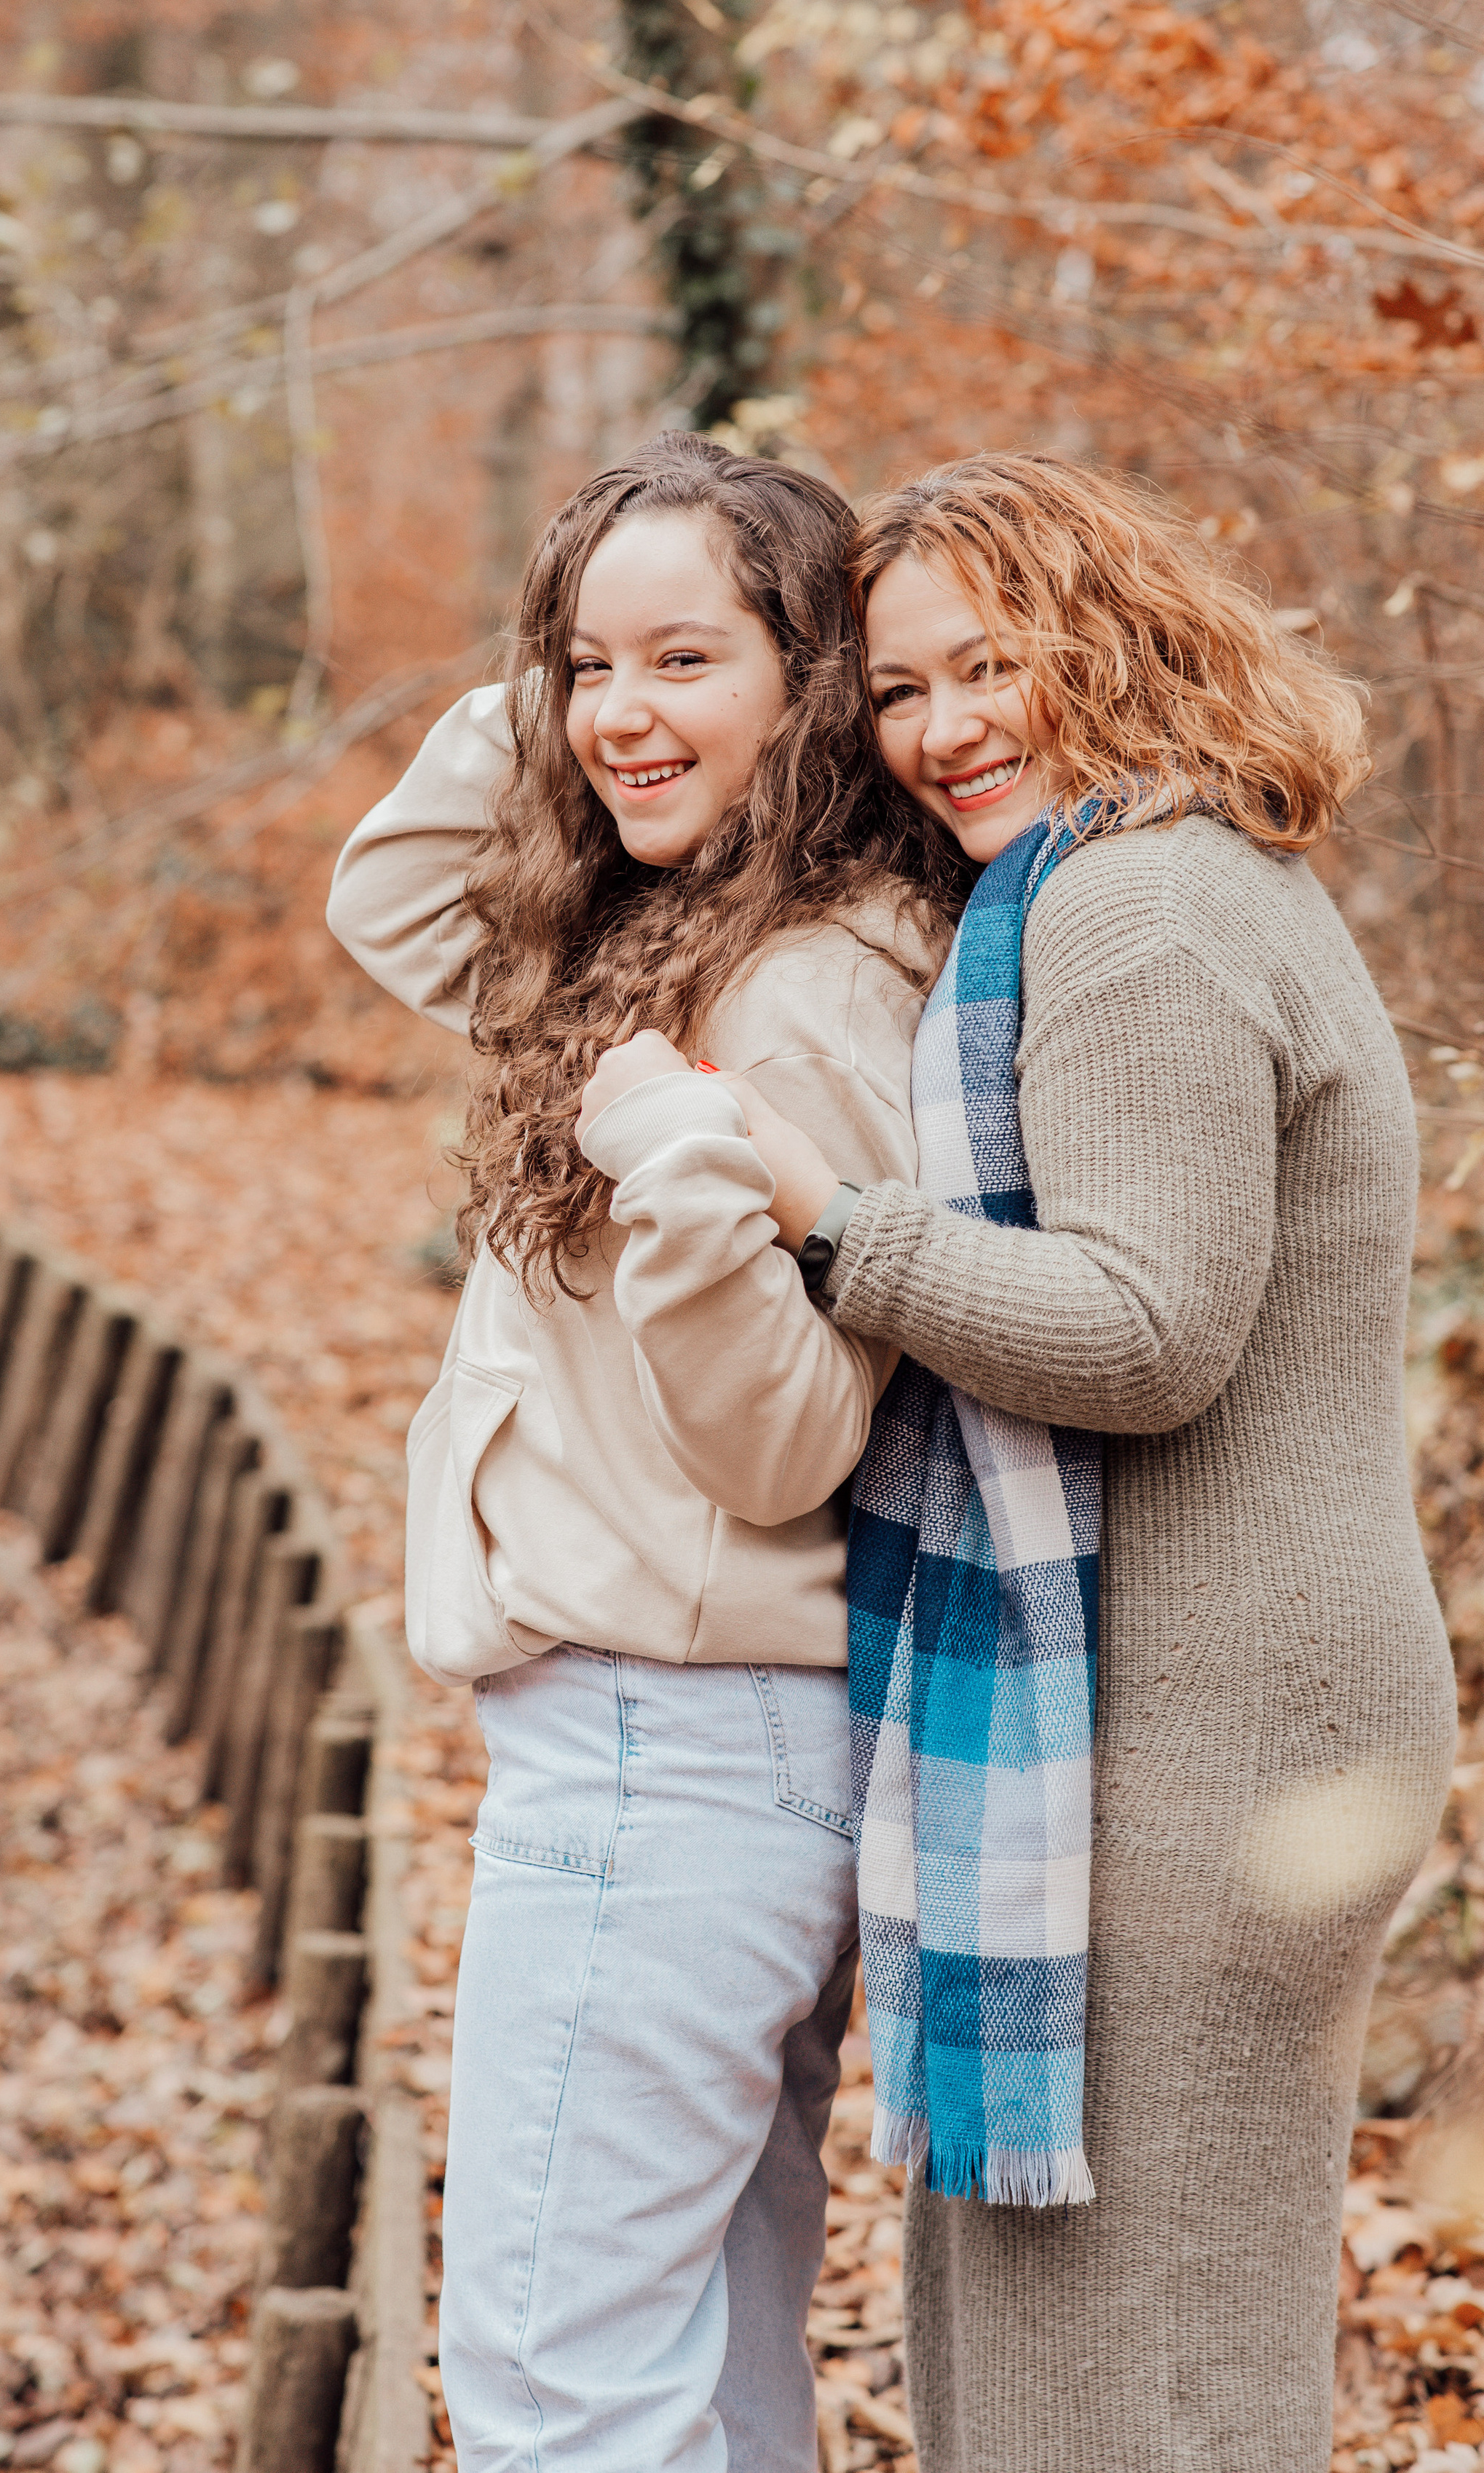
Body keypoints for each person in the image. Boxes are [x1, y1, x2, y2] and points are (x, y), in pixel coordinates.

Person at [577, 451, 1457, 2473]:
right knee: (1168, 2340)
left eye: (999, 661)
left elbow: (1150, 1332)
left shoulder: (1135, 908)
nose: (948, 726)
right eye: (898, 688)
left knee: (1095, 2377)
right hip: (1249, 1705)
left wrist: (820, 1206)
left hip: (1214, 1732)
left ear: (1121, 634)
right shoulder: (1188, 868)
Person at [325, 431, 966, 2470]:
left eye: (691, 660)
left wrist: (690, 1183)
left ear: (817, 681)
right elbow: (392, 892)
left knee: (552, 2381)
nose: (615, 715)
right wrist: (610, 660)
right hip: (700, 1744)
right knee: (697, 2362)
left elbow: (786, 1441)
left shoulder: (798, 991)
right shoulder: (657, 929)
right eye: (590, 668)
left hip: (669, 1750)